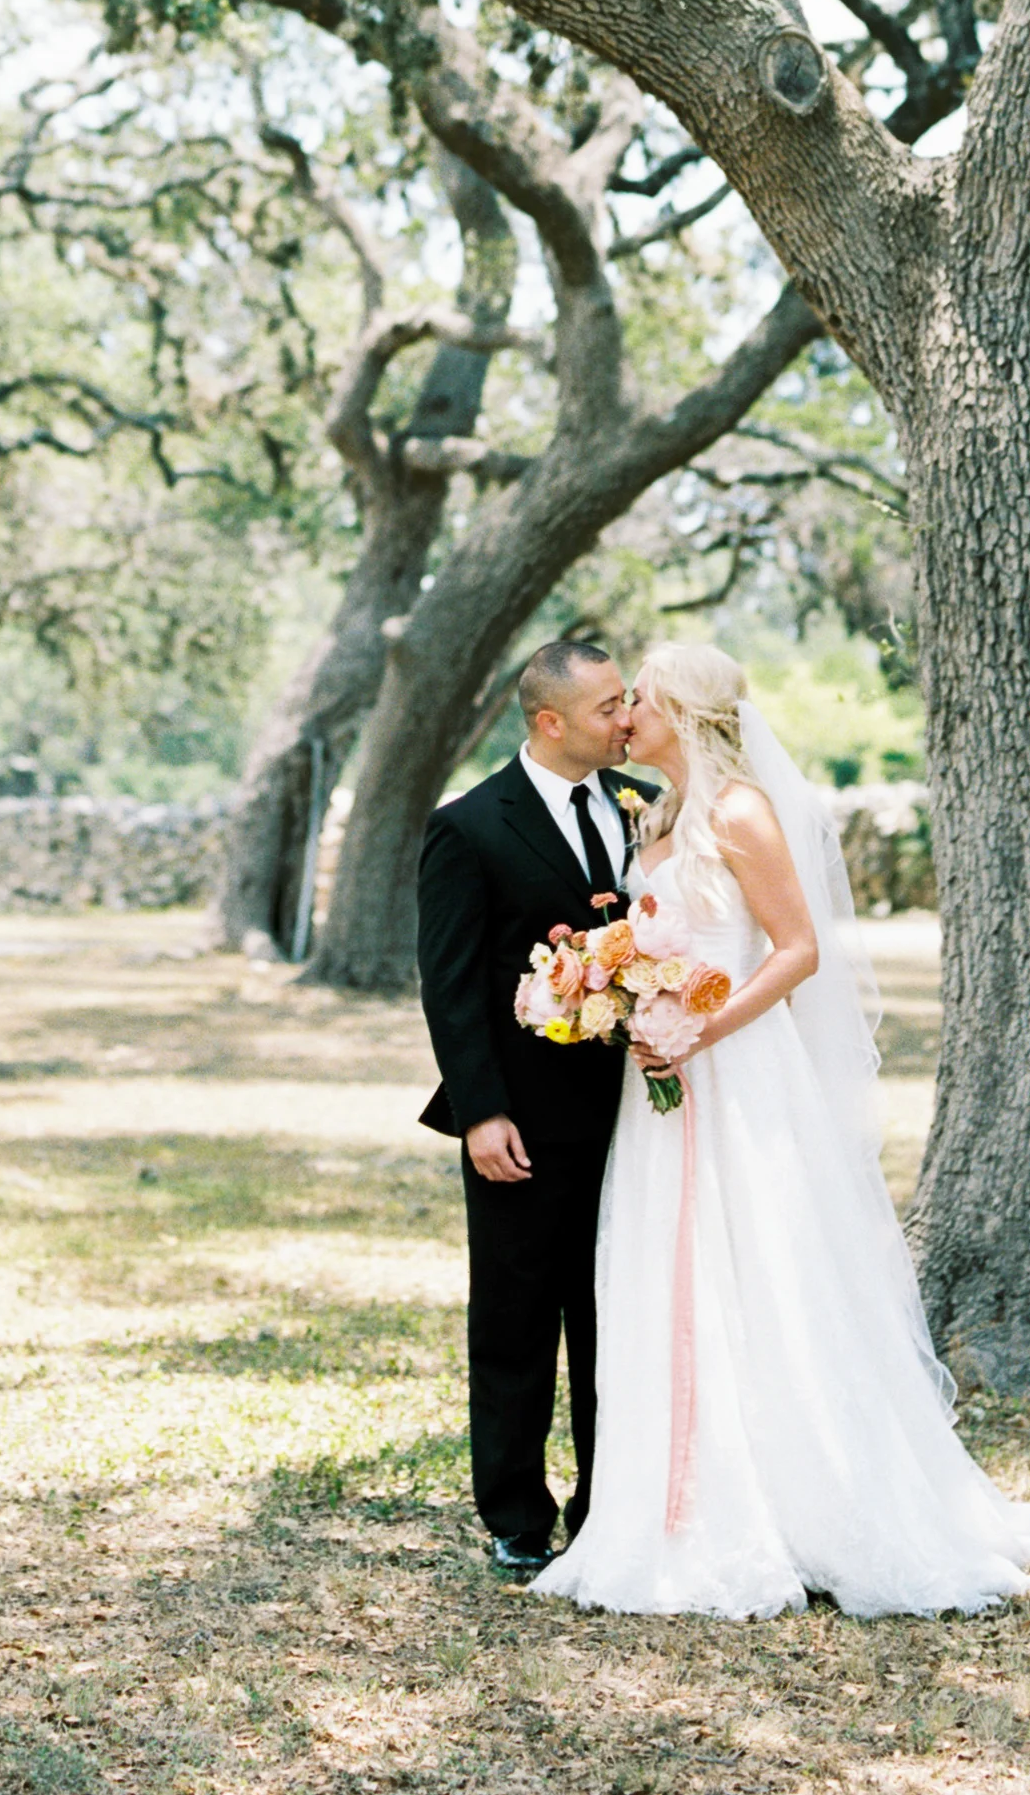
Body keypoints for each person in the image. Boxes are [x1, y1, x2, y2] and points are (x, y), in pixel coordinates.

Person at [532, 641, 1030, 1619]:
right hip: (659, 1085)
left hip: (737, 1074)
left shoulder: (739, 811)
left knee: (767, 1272)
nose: (625, 718)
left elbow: (798, 949)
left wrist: (704, 1021)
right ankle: (675, 1505)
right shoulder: (651, 814)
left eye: (642, 701)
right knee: (670, 1275)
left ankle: (805, 1500)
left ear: (688, 714)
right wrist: (614, 991)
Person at [415, 635, 646, 1579]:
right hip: (521, 1121)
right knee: (515, 1318)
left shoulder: (645, 812)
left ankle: (609, 1502)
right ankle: (515, 1511)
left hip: (637, 1114)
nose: (625, 719)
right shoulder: (468, 826)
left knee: (613, 1315)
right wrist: (480, 1113)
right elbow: (452, 985)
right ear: (550, 722)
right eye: (607, 707)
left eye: (627, 700)